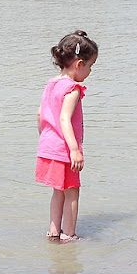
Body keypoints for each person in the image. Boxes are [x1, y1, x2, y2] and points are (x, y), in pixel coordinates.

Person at [36, 30, 99, 243]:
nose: (90, 71)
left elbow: (40, 114)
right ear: (79, 64)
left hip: (49, 147)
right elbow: (65, 119)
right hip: (65, 150)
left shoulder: (51, 83)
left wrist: (45, 140)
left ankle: (53, 231)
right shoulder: (72, 89)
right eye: (90, 66)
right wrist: (74, 150)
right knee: (72, 192)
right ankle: (69, 234)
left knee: (58, 192)